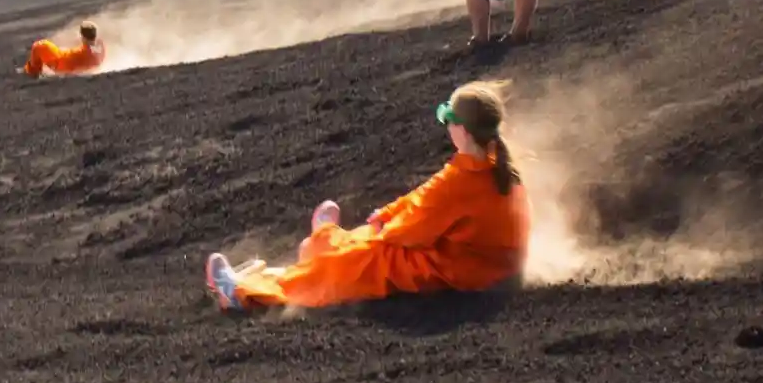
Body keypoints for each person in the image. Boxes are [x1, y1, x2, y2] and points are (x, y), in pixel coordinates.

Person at [205, 81, 529, 311]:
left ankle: (241, 293)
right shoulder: (495, 168)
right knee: (364, 243)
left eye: (449, 121)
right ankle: (324, 241)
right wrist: (388, 213)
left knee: (358, 259)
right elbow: (427, 196)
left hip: (458, 270)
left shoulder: (461, 180)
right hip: (480, 265)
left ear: (464, 131)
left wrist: (383, 227)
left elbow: (410, 232)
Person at [22, 22, 106, 78]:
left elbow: (71, 62)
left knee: (39, 45)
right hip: (75, 63)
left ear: (83, 37)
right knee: (63, 49)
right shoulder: (100, 45)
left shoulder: (82, 52)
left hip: (61, 64)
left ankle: (32, 71)